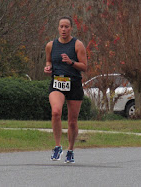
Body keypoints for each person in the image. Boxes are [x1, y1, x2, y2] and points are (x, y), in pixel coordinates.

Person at [44, 16, 87, 163]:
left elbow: (84, 66)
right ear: (58, 28)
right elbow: (49, 60)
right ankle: (57, 147)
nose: (64, 29)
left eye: (66, 27)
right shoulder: (51, 45)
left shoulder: (77, 45)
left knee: (72, 121)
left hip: (74, 83)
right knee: (56, 112)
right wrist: (48, 66)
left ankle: (70, 150)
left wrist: (71, 62)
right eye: (61, 26)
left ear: (71, 28)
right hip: (57, 82)